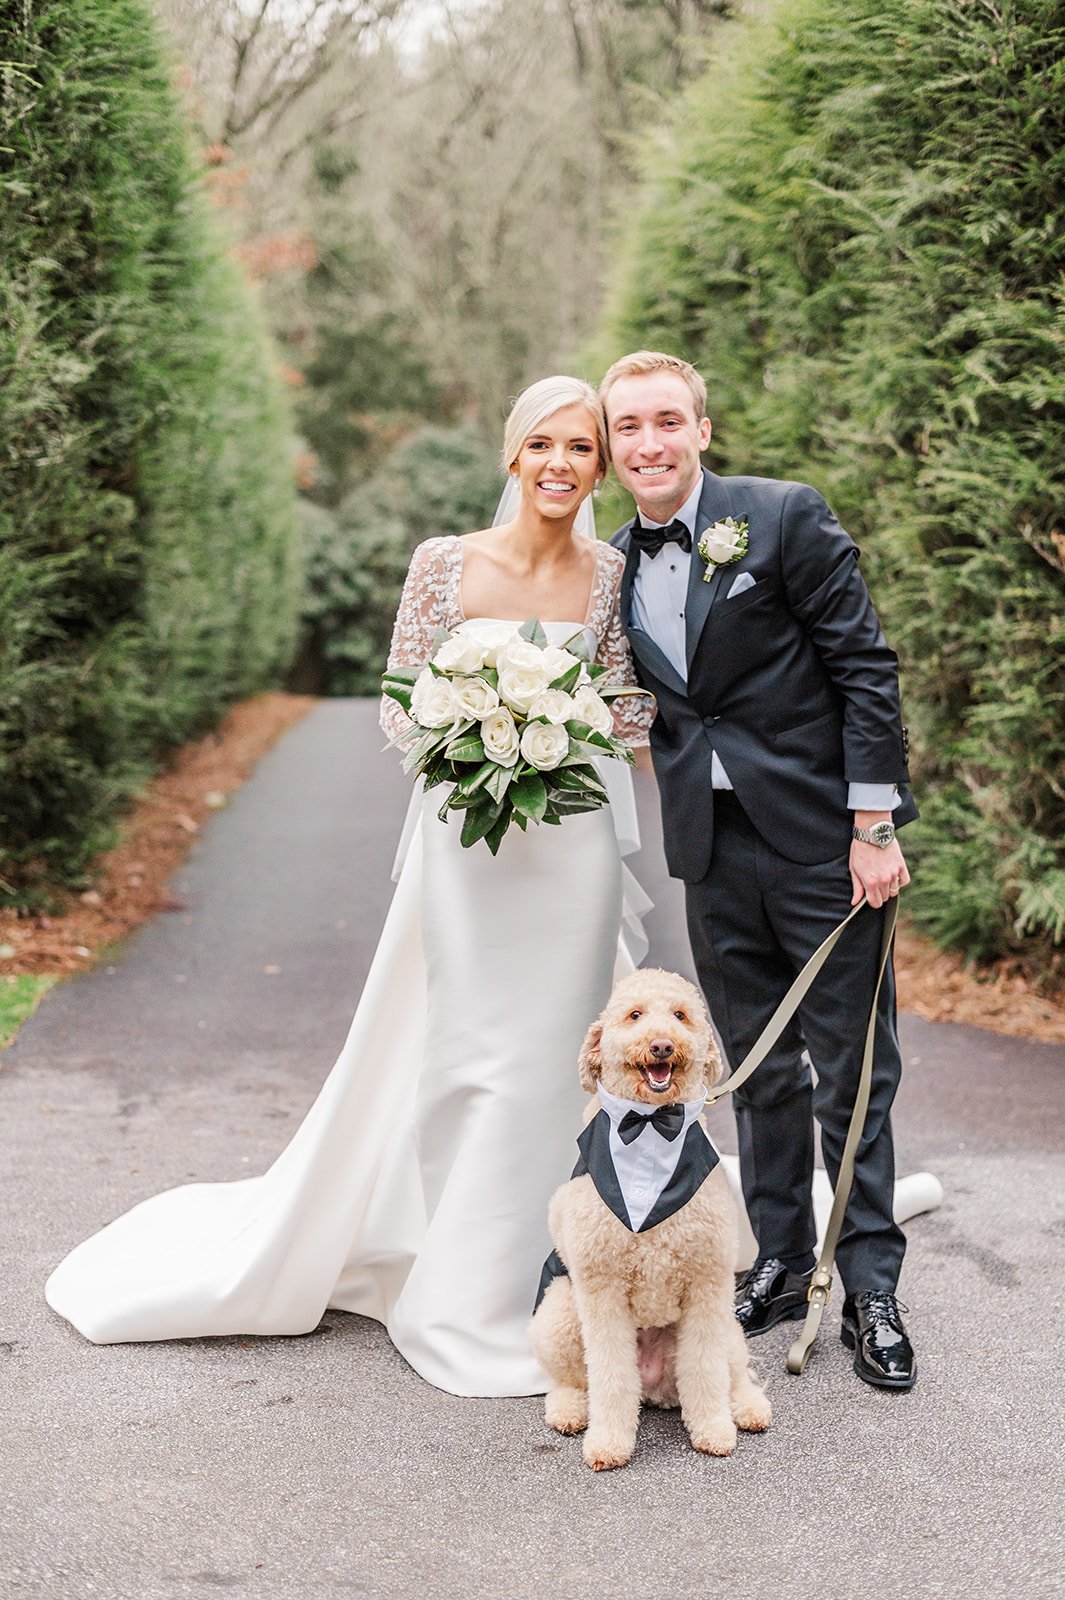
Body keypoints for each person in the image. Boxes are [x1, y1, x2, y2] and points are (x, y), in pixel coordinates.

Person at [45, 376, 654, 1398]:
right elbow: (399, 701)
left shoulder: (607, 575)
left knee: (560, 1053)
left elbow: (630, 706)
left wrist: (573, 728)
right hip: (470, 839)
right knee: (474, 1050)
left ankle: (563, 1261)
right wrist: (476, 736)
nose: (560, 464)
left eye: (581, 448)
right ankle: (464, 1282)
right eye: (542, 443)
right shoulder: (444, 564)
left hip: (575, 842)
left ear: (599, 467)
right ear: (512, 455)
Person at [601, 349, 920, 1390]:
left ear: (701, 426)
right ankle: (780, 1258)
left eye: (664, 421)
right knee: (757, 1069)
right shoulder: (613, 561)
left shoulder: (781, 517)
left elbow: (864, 666)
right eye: (628, 428)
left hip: (825, 842)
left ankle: (870, 1282)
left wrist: (873, 822)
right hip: (710, 849)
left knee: (855, 1074)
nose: (647, 443)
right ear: (611, 448)